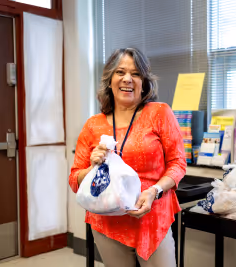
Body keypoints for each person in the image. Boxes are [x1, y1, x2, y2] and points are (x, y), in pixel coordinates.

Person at [69, 48, 186, 267]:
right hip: (108, 221)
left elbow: (178, 163)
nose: (127, 79)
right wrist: (93, 167)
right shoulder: (93, 125)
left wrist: (154, 191)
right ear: (110, 80)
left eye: (135, 73)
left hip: (153, 217)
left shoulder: (160, 113)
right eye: (120, 72)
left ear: (144, 82)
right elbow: (75, 180)